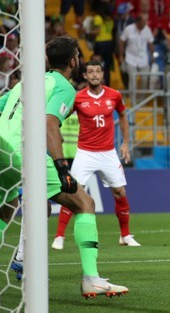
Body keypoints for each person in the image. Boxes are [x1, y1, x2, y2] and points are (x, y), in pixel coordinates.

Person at [0, 37, 127, 298]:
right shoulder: (63, 86)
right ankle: (91, 278)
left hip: (1, 148)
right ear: (73, 61)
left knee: (8, 209)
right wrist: (62, 167)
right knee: (84, 203)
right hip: (25, 152)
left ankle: (24, 258)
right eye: (78, 56)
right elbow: (49, 124)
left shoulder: (25, 82)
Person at [51, 60, 139, 251]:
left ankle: (125, 235)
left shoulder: (114, 95)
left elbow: (123, 116)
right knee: (72, 191)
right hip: (85, 153)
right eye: (90, 72)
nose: (94, 75)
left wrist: (125, 143)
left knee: (120, 192)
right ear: (84, 75)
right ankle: (59, 236)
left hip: (108, 153)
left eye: (97, 71)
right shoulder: (78, 98)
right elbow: (59, 117)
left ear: (102, 74)